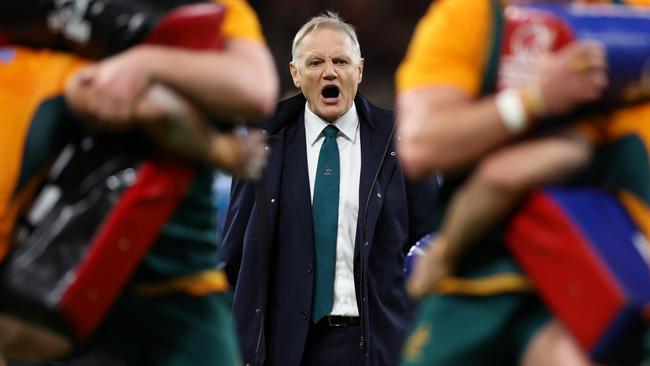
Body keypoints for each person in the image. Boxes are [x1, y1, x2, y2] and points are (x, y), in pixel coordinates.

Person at [0, 0, 278, 365]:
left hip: (162, 269)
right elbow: (134, 102)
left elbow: (254, 89)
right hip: (60, 274)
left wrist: (144, 64)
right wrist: (220, 150)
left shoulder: (37, 65)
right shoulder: (48, 70)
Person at [395, 0, 650, 365]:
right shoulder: (469, 17)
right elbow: (421, 144)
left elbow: (505, 174)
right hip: (567, 281)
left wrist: (446, 249)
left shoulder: (621, 24)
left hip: (583, 282)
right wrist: (532, 102)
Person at [219, 11, 438, 366]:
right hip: (286, 348)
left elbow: (431, 244)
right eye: (315, 62)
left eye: (341, 61)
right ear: (295, 73)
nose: (330, 72)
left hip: (376, 346)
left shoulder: (400, 143)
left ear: (360, 69)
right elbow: (234, 258)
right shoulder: (262, 148)